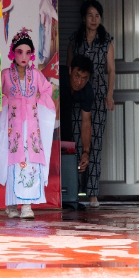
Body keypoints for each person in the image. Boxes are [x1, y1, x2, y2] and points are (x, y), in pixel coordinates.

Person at [0, 29, 56, 219]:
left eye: (28, 52)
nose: (24, 56)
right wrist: (4, 101)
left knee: (31, 162)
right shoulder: (5, 74)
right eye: (20, 52)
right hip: (13, 128)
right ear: (13, 52)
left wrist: (37, 100)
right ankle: (12, 204)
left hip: (32, 129)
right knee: (13, 162)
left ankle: (27, 205)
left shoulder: (35, 74)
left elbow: (47, 90)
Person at [67, 0, 115, 207]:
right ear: (83, 18)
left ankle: (93, 193)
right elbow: (69, 67)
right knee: (77, 141)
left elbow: (111, 70)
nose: (94, 19)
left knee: (95, 144)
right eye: (90, 15)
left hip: (99, 96)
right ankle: (75, 190)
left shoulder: (106, 40)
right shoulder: (75, 39)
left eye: (97, 15)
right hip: (78, 96)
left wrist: (109, 95)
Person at [59, 55, 95, 191]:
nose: (79, 82)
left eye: (84, 78)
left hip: (66, 114)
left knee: (67, 142)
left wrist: (86, 151)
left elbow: (86, 121)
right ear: (70, 70)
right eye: (77, 76)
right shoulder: (58, 76)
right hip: (48, 112)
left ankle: (65, 192)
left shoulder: (88, 90)